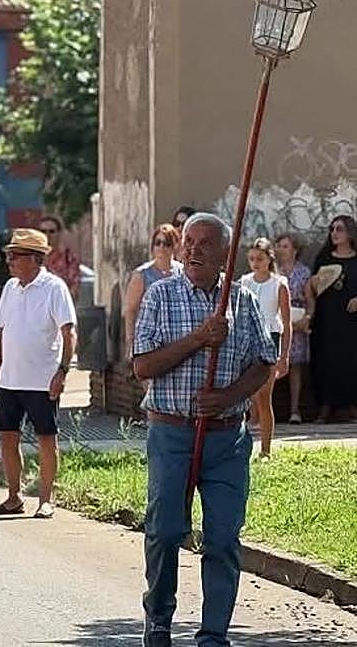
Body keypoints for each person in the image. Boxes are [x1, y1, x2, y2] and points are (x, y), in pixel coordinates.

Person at [132, 212, 276, 647]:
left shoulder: (242, 300)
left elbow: (263, 364)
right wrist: (198, 338)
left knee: (223, 539)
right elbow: (142, 366)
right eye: (188, 242)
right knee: (165, 532)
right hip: (172, 433)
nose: (193, 250)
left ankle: (213, 634)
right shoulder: (161, 295)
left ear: (226, 255)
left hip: (227, 439)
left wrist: (229, 395)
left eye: (205, 243)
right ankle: (158, 617)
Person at [0, 228, 77, 519]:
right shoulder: (10, 288)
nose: (10, 261)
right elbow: (0, 332)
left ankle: (46, 499)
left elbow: (69, 332)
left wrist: (62, 372)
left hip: (41, 380)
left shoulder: (54, 288)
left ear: (35, 259)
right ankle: (13, 497)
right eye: (9, 255)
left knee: (46, 437)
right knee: (7, 437)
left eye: (16, 255)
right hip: (10, 379)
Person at [240, 238, 291, 458]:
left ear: (269, 258)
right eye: (251, 259)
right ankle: (241, 448)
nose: (255, 263)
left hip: (270, 337)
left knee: (264, 395)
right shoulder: (244, 282)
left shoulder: (279, 283)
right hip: (249, 338)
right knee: (245, 394)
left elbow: (286, 322)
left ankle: (266, 450)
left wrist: (284, 356)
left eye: (260, 258)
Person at [305, 214, 357, 423]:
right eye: (332, 229)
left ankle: (352, 406)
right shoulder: (324, 258)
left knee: (351, 361)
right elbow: (312, 287)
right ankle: (325, 408)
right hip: (327, 321)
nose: (334, 233)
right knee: (326, 361)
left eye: (339, 229)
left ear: (350, 233)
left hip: (352, 322)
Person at [123, 224, 185, 359]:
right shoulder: (142, 275)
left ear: (174, 245)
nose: (162, 247)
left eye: (167, 243)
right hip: (150, 339)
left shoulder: (183, 272)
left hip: (178, 339)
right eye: (158, 243)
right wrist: (131, 343)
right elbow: (131, 311)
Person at [273, 232, 312, 423]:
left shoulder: (303, 272)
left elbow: (310, 299)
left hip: (297, 319)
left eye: (285, 246)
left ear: (295, 250)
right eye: (278, 245)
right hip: (277, 320)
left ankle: (295, 410)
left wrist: (307, 319)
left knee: (295, 366)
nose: (280, 249)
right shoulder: (273, 271)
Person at [37, 215, 81, 297]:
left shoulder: (69, 258)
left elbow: (74, 288)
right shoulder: (31, 258)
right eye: (43, 231)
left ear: (59, 233)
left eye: (51, 231)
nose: (47, 235)